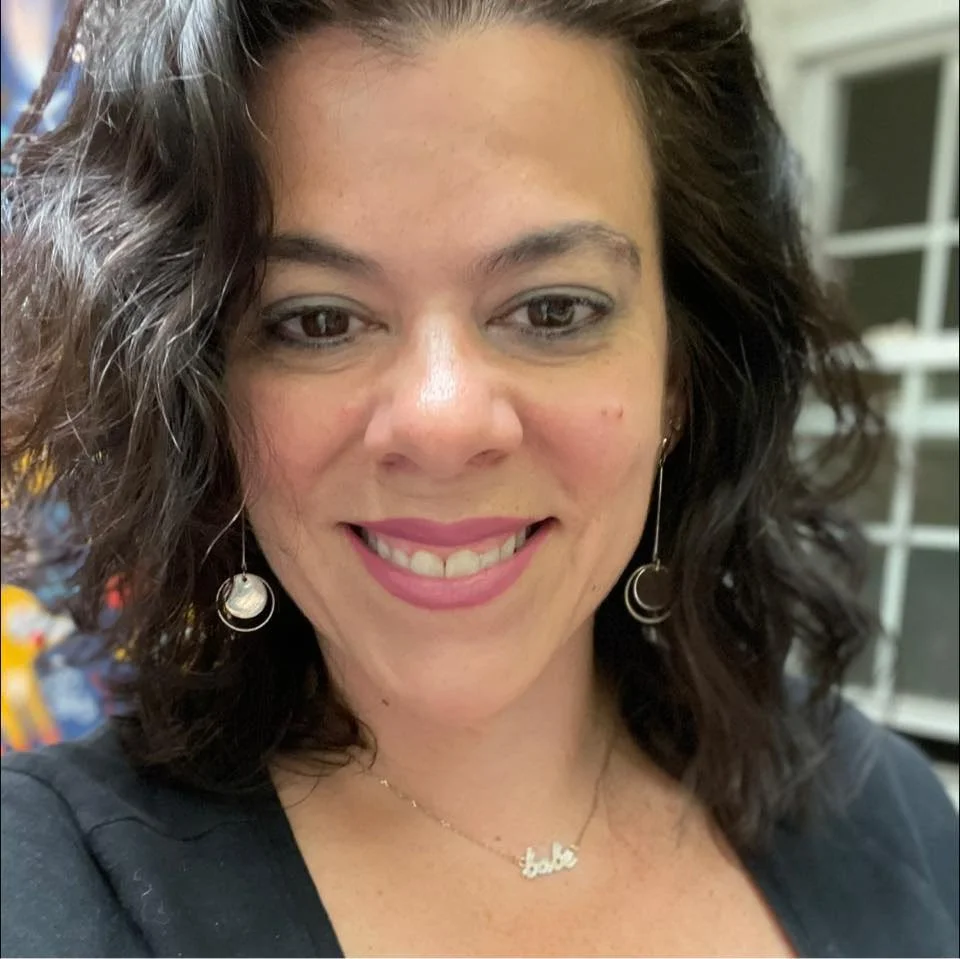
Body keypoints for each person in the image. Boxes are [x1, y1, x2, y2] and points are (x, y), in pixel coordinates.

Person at [1, 0, 957, 956]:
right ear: (201, 392)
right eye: (316, 321)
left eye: (552, 309)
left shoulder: (884, 807)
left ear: (680, 375)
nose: (444, 422)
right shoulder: (51, 885)